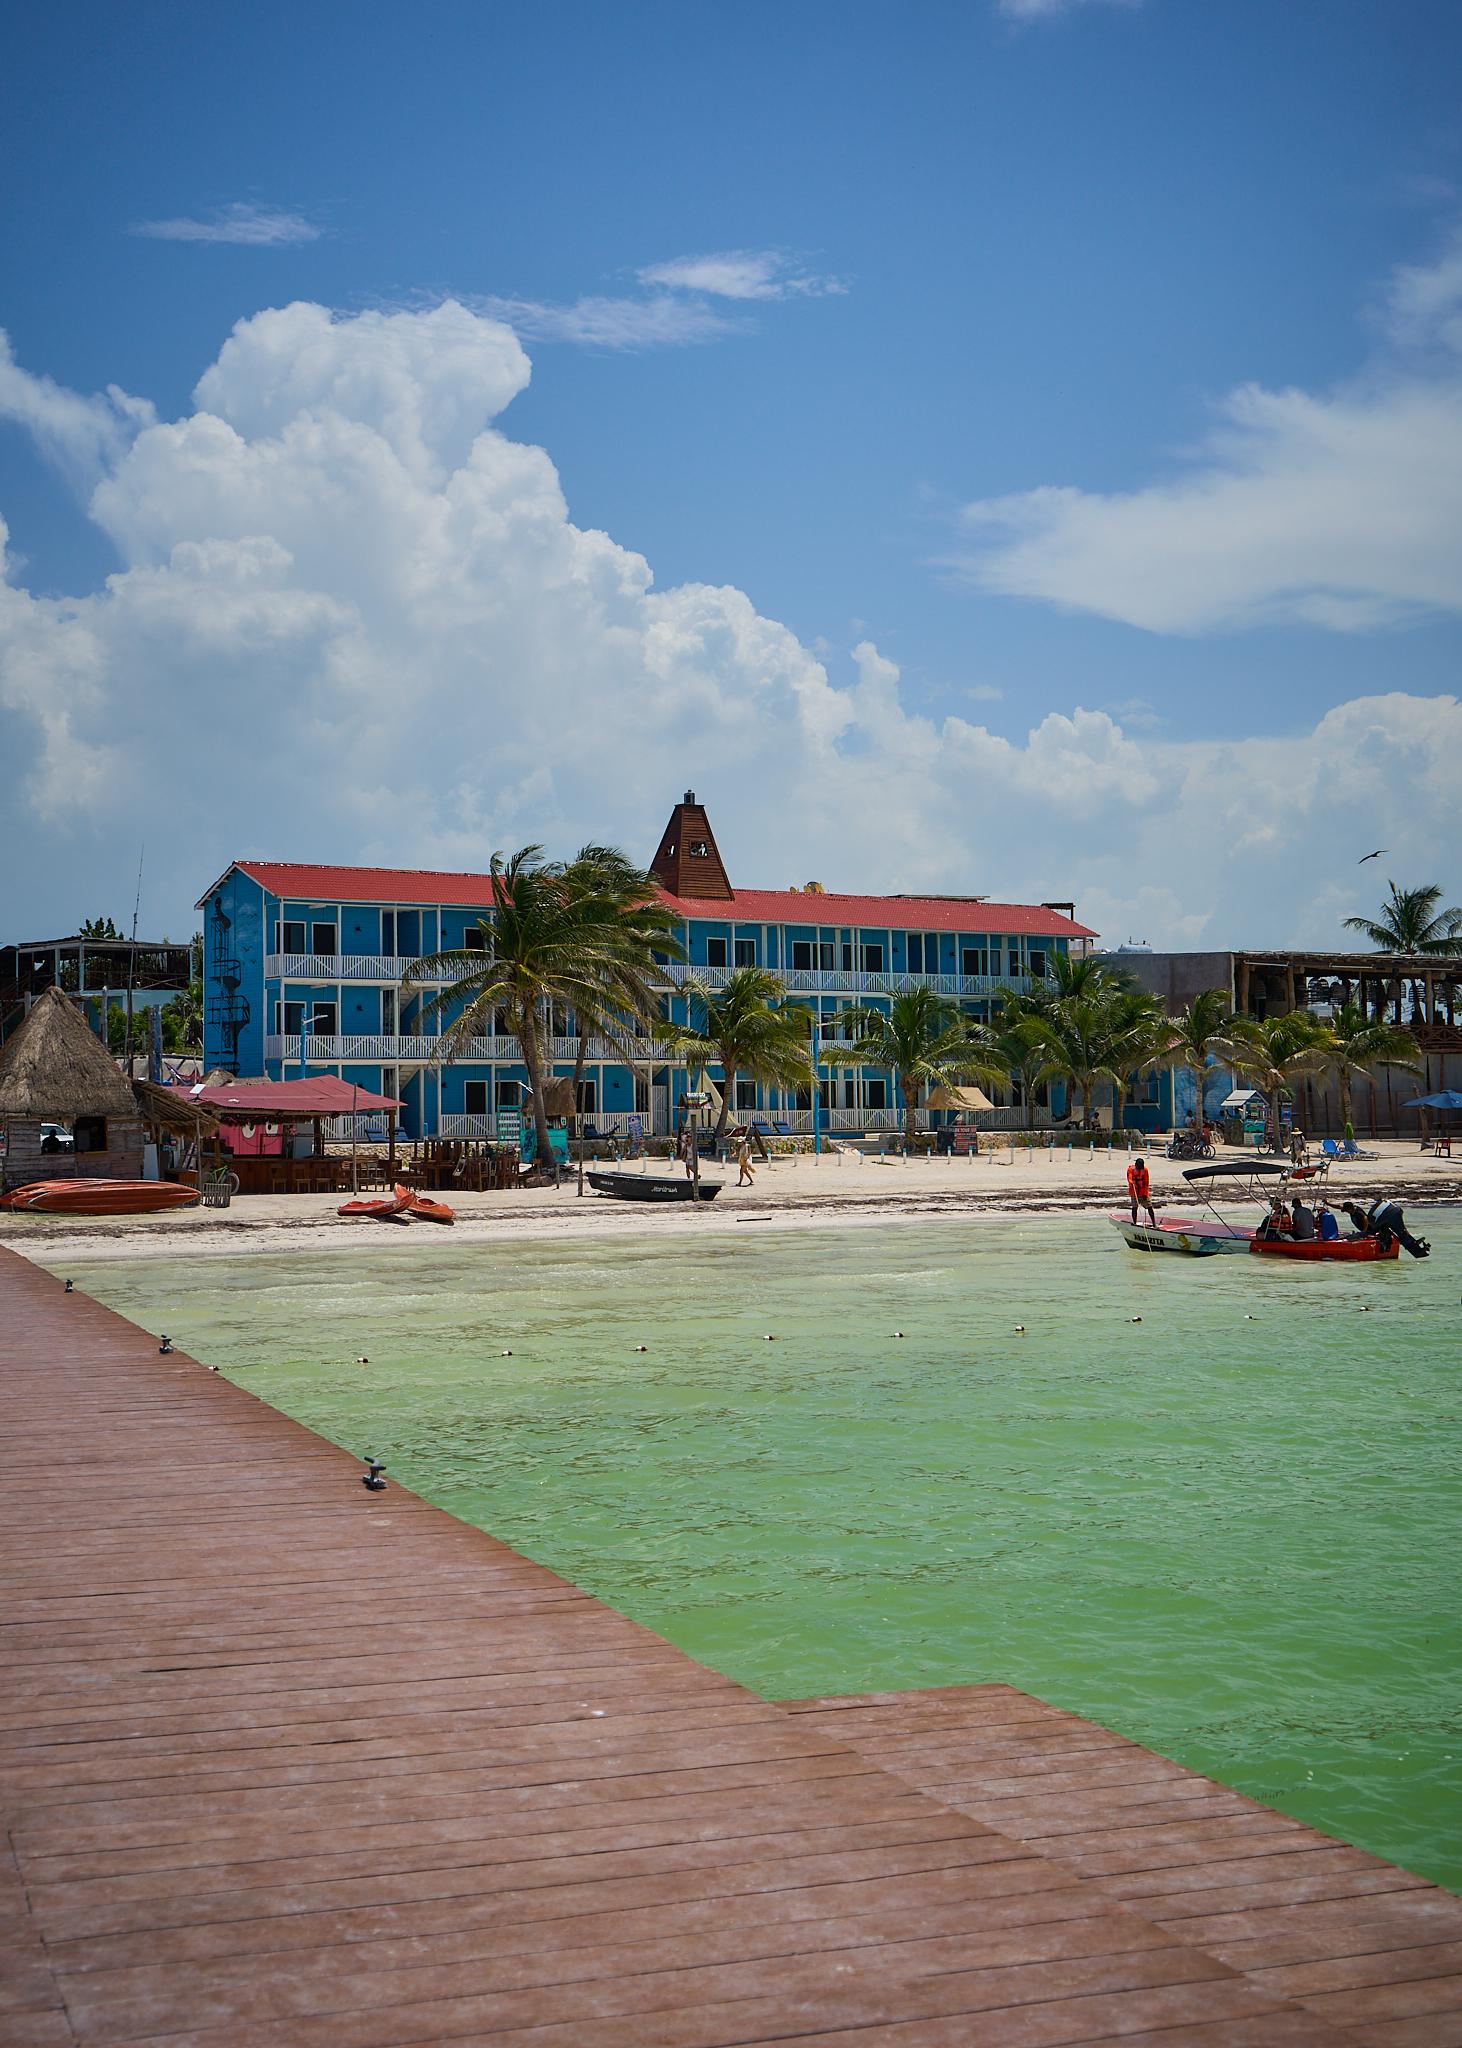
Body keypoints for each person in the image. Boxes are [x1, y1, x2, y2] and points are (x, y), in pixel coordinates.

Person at [1365, 1196, 1431, 1259]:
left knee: (1401, 1233)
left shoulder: (1373, 1217)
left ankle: (1415, 1249)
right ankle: (1415, 1248)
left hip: (1389, 1215)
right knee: (1402, 1232)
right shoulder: (1381, 1205)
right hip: (1394, 1212)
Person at [1126, 1155, 1156, 1228]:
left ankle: (1154, 1224)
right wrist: (1132, 1182)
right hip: (1134, 1192)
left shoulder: (1145, 1170)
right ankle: (1134, 1222)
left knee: (1149, 1207)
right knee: (1134, 1207)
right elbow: (1129, 1178)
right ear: (1136, 1165)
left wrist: (1145, 1193)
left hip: (1143, 1192)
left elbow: (1146, 1182)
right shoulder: (1130, 1169)